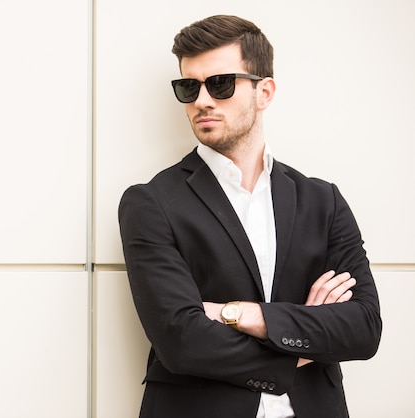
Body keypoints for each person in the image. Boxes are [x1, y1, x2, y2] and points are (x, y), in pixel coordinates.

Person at [118, 15, 382, 418]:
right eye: (189, 87)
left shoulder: (322, 201)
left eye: (221, 84)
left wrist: (235, 313)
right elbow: (181, 340)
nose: (202, 100)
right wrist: (305, 336)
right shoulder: (151, 203)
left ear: (265, 91)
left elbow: (362, 328)